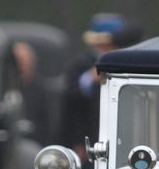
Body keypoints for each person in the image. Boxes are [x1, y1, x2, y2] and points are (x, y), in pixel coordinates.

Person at [59, 13, 142, 150]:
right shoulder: (81, 64)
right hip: (89, 135)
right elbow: (73, 103)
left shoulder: (127, 62)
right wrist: (90, 78)